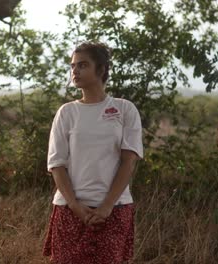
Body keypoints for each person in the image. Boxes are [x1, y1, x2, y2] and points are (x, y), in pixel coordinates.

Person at [42, 41, 144, 264]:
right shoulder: (66, 112)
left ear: (101, 69)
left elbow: (129, 162)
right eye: (73, 66)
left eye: (83, 65)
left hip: (114, 209)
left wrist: (106, 206)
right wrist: (76, 206)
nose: (75, 71)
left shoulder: (124, 109)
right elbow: (56, 165)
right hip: (70, 210)